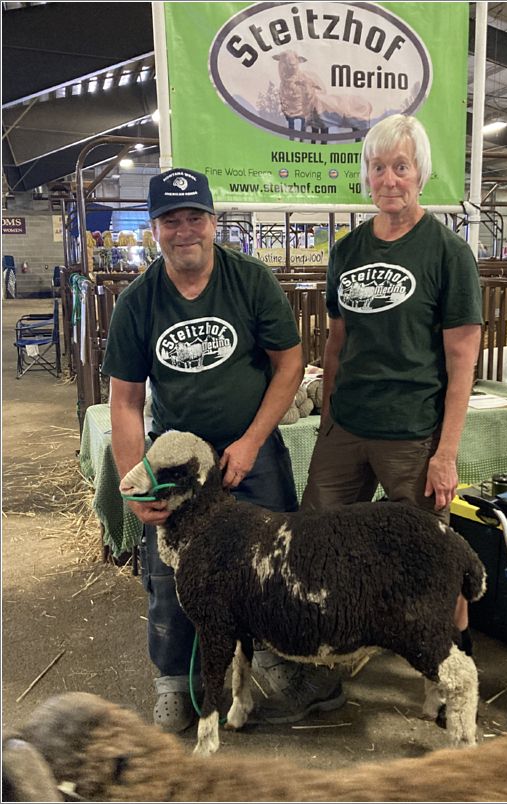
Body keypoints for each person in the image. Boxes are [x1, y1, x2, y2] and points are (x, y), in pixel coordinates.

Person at [102, 168, 344, 732]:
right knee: (171, 570)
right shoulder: (139, 301)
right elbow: (125, 400)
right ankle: (172, 681)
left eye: (194, 218)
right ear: (154, 228)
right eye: (170, 220)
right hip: (177, 458)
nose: (184, 230)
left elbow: (289, 363)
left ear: (213, 222)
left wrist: (252, 441)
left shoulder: (249, 280)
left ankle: (276, 661)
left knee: (274, 559)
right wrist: (134, 479)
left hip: (249, 444)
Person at [301, 115, 483, 718]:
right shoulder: (347, 250)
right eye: (378, 167)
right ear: (366, 176)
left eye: (400, 166)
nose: (389, 179)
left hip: (413, 434)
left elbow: (462, 361)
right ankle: (322, 669)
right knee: (317, 541)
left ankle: (446, 677)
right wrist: (328, 417)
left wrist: (446, 452)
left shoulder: (449, 254)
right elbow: (335, 344)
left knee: (430, 557)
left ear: (421, 174)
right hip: (347, 428)